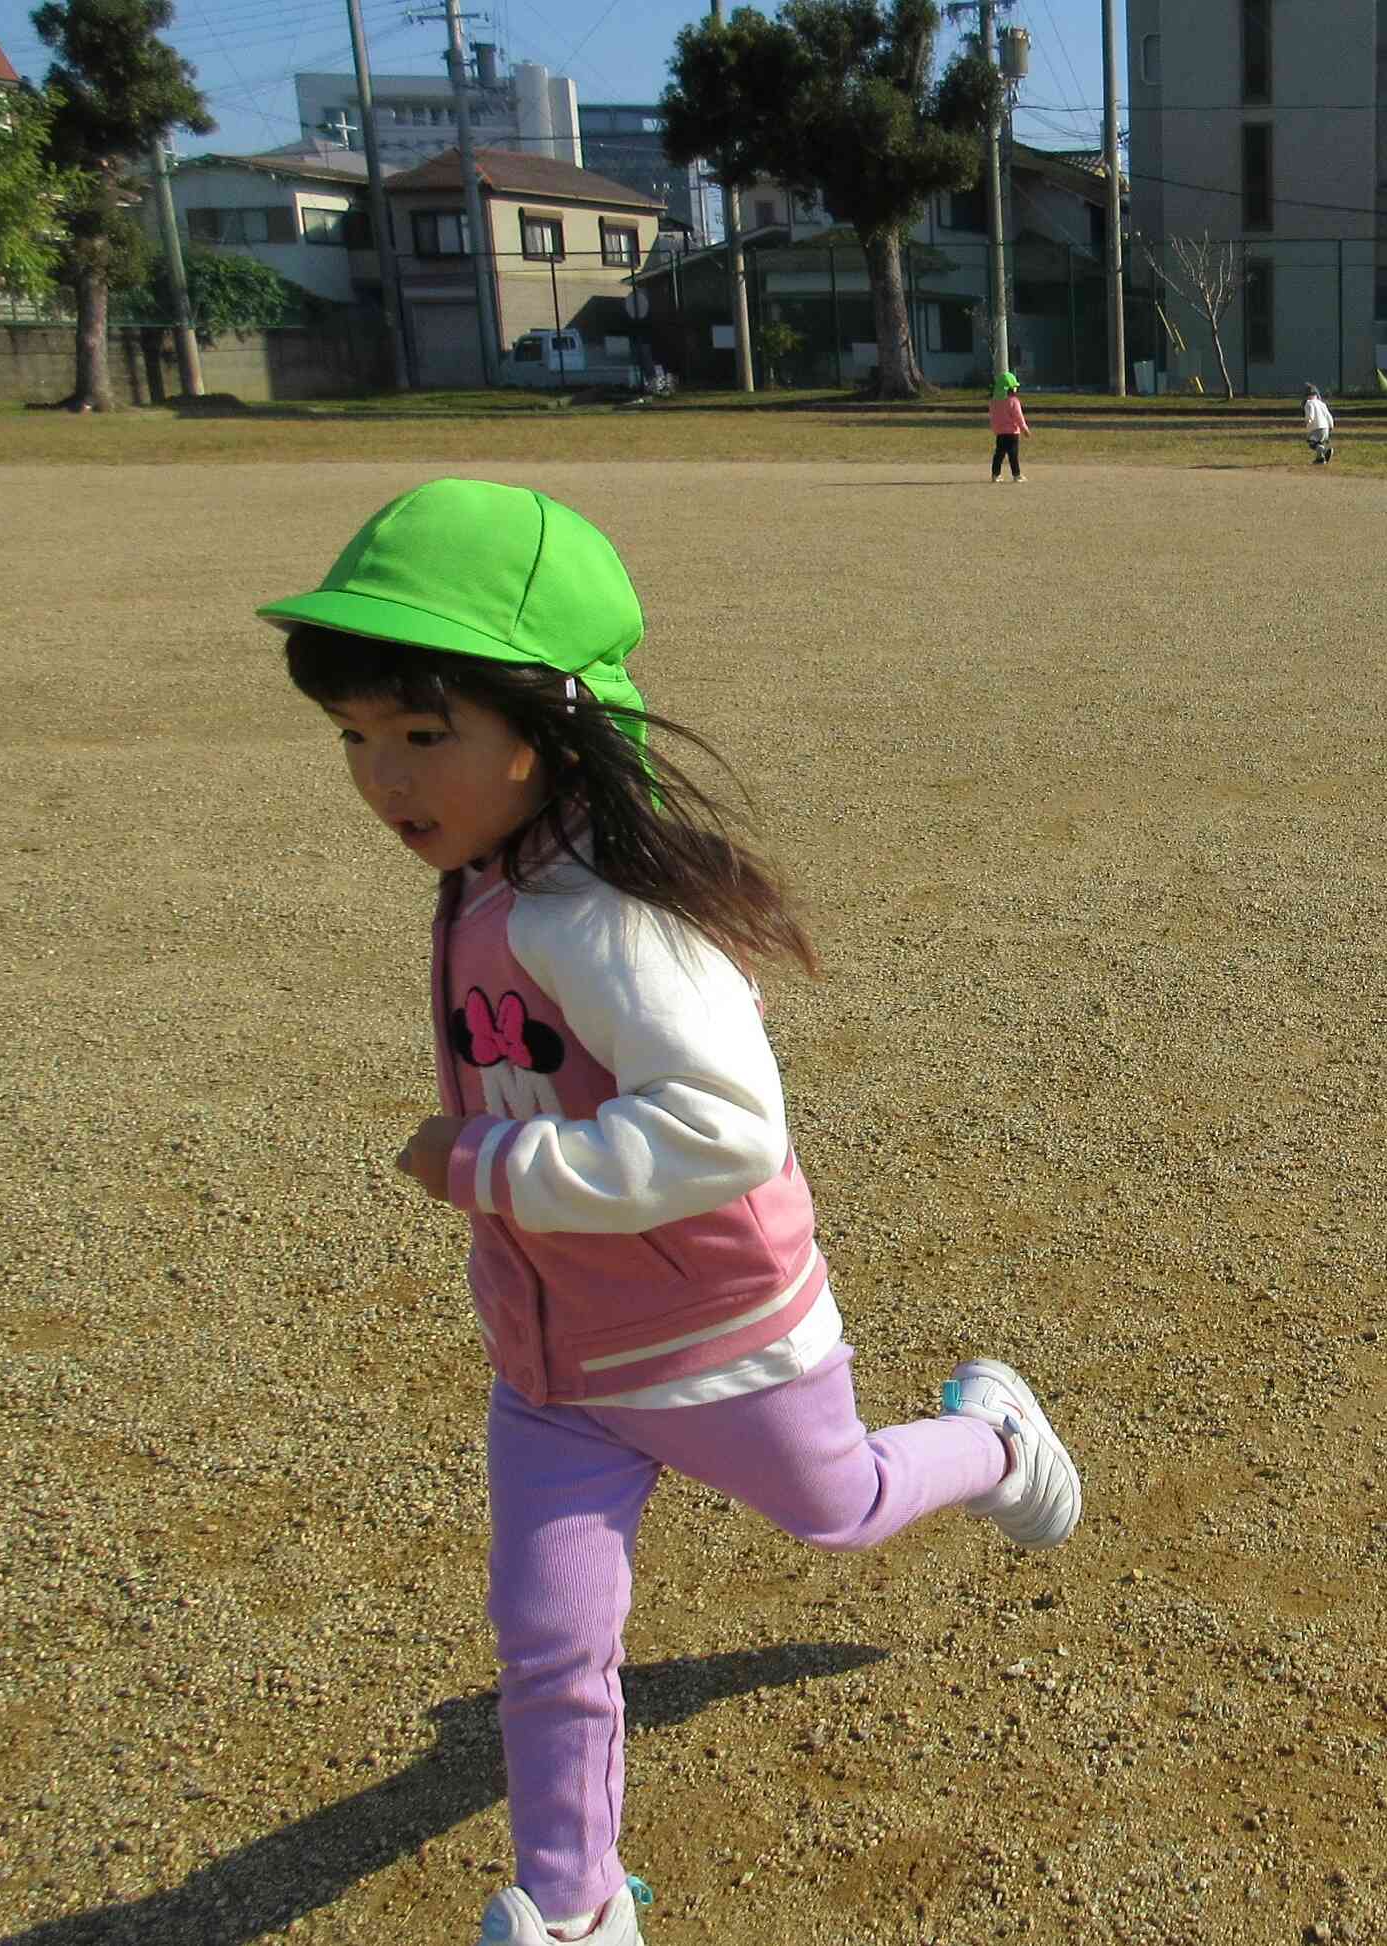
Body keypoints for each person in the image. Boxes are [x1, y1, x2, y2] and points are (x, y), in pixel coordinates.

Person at [258, 479, 1082, 1946]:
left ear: (546, 722)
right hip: (556, 1373)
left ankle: (997, 1434)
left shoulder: (601, 917)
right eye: (355, 737)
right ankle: (573, 1909)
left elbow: (721, 1130)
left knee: (841, 1508)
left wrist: (485, 1169)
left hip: (719, 1339)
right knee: (551, 1640)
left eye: (422, 732)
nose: (382, 778)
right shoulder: (488, 872)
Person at [990, 370, 1031, 481]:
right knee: (1013, 455)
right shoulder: (1013, 401)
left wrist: (995, 429)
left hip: (1000, 433)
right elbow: (1019, 417)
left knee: (999, 454)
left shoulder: (994, 402)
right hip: (1012, 433)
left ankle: (995, 474)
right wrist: (1024, 429)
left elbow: (993, 417)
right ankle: (1016, 475)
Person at [1303, 382, 1335, 465]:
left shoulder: (1309, 403)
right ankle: (1320, 459)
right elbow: (1328, 415)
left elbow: (1311, 413)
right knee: (1319, 443)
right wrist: (1331, 425)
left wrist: (1309, 420)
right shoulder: (1322, 404)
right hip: (1326, 428)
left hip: (1316, 428)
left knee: (1312, 443)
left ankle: (1325, 451)